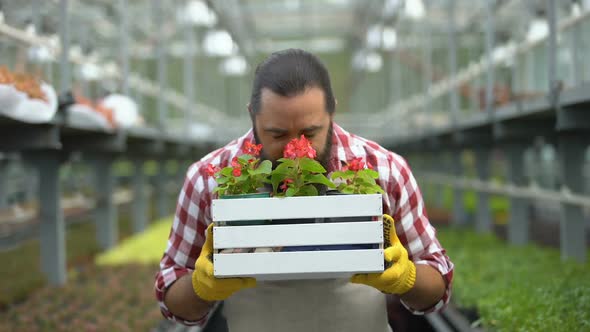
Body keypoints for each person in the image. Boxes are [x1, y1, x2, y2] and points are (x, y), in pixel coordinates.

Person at [155, 49, 454, 332]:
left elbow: (437, 285)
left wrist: (407, 278)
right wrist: (200, 286)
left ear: (332, 111)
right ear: (252, 116)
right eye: (277, 134)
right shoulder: (211, 178)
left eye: (310, 133)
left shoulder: (384, 169)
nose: (295, 149)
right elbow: (171, 293)